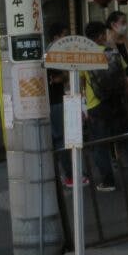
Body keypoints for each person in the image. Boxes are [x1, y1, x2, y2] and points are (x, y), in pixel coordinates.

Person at [82, 20, 128, 192]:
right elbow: (125, 75)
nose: (106, 37)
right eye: (104, 34)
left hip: (96, 105)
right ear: (100, 36)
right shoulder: (113, 53)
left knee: (100, 146)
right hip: (118, 103)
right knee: (127, 141)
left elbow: (81, 81)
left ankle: (108, 182)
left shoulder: (84, 56)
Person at [45, 25, 81, 187]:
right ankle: (70, 176)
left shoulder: (47, 52)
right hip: (56, 102)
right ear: (55, 37)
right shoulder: (53, 53)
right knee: (61, 139)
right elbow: (57, 78)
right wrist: (69, 74)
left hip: (52, 101)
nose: (65, 39)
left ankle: (66, 175)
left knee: (57, 139)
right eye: (64, 35)